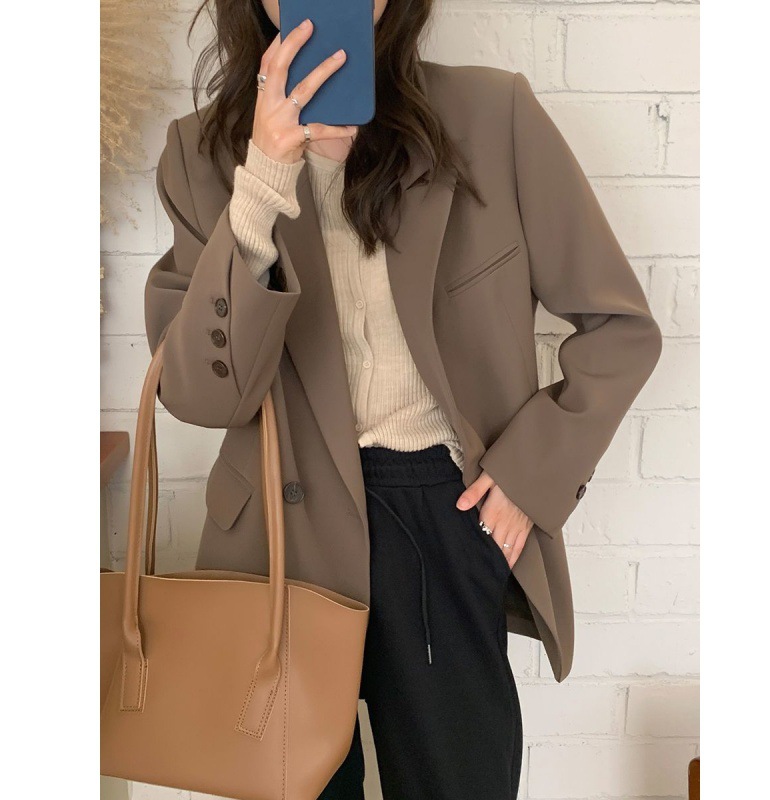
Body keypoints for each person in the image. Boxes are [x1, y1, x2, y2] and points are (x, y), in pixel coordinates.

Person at [144, 1, 663, 797]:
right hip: (278, 538)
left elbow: (620, 330)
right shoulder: (202, 155)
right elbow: (203, 396)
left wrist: (528, 475)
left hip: (444, 519)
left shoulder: (492, 117)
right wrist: (263, 183)